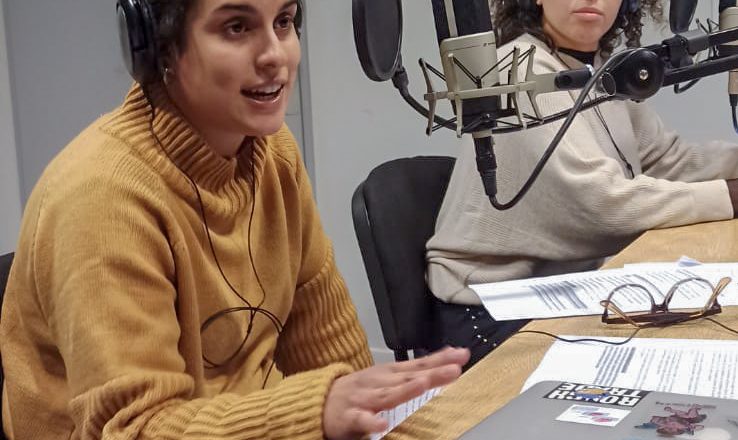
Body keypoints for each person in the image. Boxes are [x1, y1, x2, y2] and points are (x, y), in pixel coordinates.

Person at [0, 0, 470, 438]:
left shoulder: (273, 154)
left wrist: (378, 418)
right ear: (158, 45)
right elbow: (136, 428)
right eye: (236, 27)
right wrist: (313, 412)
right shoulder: (102, 200)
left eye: (283, 22)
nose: (275, 55)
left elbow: (327, 343)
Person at [426, 0, 738, 366]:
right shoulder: (520, 71)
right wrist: (730, 196)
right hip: (490, 312)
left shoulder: (603, 72)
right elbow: (601, 206)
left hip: (565, 291)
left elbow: (668, 161)